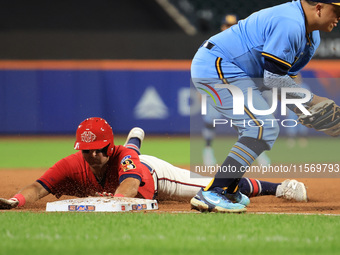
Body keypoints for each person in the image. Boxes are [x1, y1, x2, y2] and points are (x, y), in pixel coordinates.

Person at [191, 0, 340, 212]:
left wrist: (305, 111)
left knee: (261, 127)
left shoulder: (311, 36)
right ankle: (213, 192)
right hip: (218, 64)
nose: (339, 16)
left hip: (237, 71)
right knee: (262, 127)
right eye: (337, 10)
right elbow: (273, 79)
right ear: (318, 8)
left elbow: (281, 79)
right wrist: (312, 101)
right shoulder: (290, 23)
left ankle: (230, 187)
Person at [0, 117, 307, 210]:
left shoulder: (126, 159)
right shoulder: (71, 164)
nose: (92, 155)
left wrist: (107, 203)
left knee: (213, 187)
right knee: (130, 150)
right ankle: (136, 136)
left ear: (110, 147)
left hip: (153, 175)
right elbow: (40, 187)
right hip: (132, 162)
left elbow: (130, 186)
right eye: (87, 151)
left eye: (98, 150)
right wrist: (16, 200)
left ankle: (279, 187)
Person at [203, 13, 271, 167]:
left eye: (233, 25)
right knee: (210, 122)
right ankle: (207, 152)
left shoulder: (245, 46)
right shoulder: (212, 44)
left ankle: (258, 154)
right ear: (222, 27)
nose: (230, 28)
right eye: (227, 25)